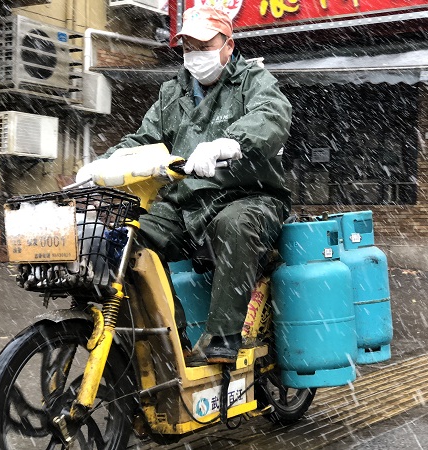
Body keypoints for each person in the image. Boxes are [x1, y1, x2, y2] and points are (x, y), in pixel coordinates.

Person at [77, 4, 292, 365]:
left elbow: (272, 117)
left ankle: (223, 336)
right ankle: (167, 342)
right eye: (189, 48)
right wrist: (103, 163)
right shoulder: (172, 92)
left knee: (234, 225)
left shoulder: (253, 80)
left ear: (228, 45)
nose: (196, 56)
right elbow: (144, 139)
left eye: (205, 46)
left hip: (249, 196)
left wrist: (229, 143)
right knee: (128, 239)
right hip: (185, 202)